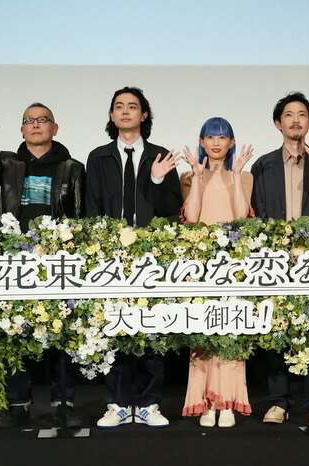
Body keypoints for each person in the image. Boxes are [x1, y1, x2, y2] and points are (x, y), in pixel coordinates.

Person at [0, 103, 85, 429]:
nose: (35, 125)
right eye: (29, 121)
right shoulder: (8, 164)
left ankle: (64, 404)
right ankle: (18, 404)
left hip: (58, 261)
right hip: (14, 260)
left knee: (62, 333)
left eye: (42, 120)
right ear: (21, 129)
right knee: (14, 332)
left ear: (54, 128)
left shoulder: (73, 168)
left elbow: (80, 214)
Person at [86, 86, 182, 428]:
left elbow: (172, 208)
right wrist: (99, 248)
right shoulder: (99, 157)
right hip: (111, 255)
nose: (125, 111)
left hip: (151, 256)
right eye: (119, 106)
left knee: (152, 330)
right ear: (112, 115)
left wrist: (157, 180)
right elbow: (92, 206)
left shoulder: (160, 155)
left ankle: (148, 404)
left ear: (144, 115)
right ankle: (116, 403)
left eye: (132, 106)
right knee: (114, 328)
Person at [250, 92, 309, 424]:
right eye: (289, 115)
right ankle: (279, 401)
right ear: (278, 124)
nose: (295, 120)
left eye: (302, 114)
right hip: (275, 259)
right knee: (275, 328)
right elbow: (256, 211)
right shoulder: (263, 165)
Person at [180, 117, 254, 428]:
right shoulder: (189, 176)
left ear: (231, 143)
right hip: (201, 265)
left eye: (222, 137)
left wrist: (235, 176)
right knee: (204, 333)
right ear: (201, 142)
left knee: (231, 332)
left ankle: (228, 403)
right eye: (210, 136)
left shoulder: (244, 176)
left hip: (232, 266)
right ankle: (207, 403)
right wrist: (198, 179)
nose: (216, 142)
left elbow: (240, 218)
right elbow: (192, 218)